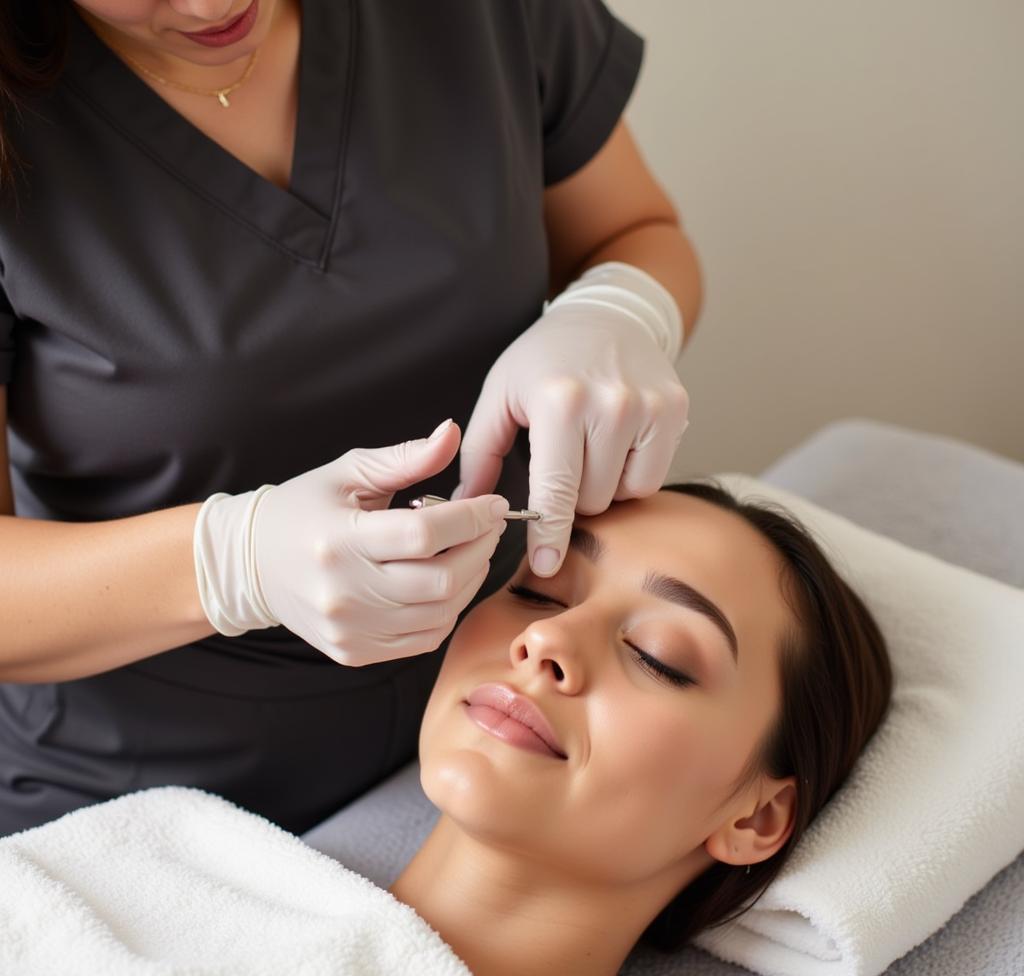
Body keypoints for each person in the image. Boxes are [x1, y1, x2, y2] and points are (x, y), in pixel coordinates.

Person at [0, 0, 703, 836]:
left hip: (492, 748)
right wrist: (235, 562)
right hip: (141, 807)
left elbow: (635, 229)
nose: (211, 3)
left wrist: (621, 310)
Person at [0, 481, 894, 976]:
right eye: (539, 590)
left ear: (757, 813)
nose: (548, 642)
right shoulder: (166, 857)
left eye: (657, 654)